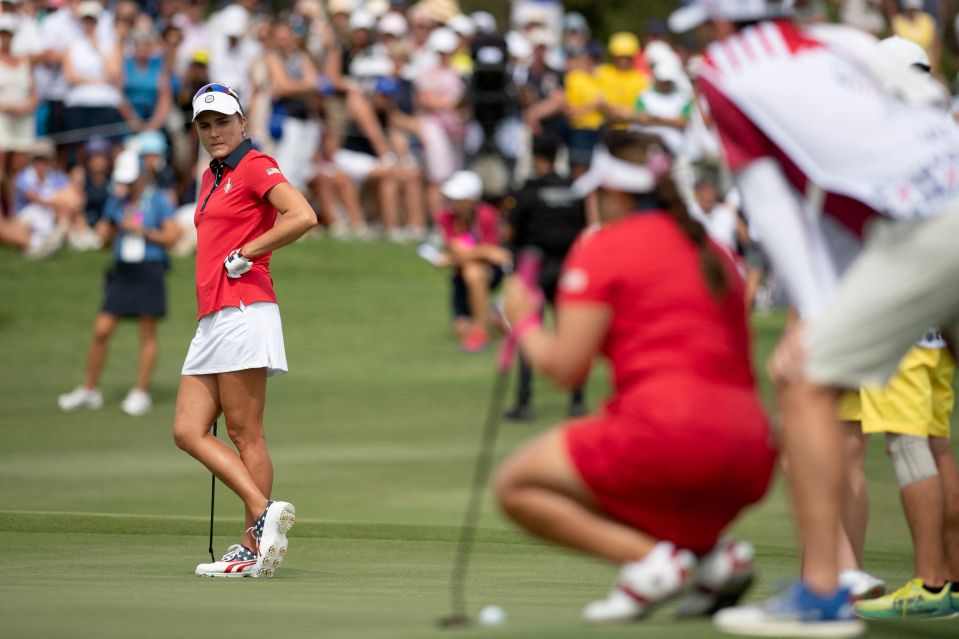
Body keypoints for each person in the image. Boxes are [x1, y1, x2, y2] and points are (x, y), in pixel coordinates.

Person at [666, 1, 959, 634]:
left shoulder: (723, 72)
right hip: (945, 192)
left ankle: (822, 594)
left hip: (923, 227)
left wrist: (812, 318)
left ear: (718, 23)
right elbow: (928, 103)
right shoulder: (836, 40)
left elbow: (772, 208)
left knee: (802, 379)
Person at [495, 131, 776, 623]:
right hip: (751, 446)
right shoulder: (712, 250)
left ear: (615, 192)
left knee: (516, 486)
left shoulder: (605, 247)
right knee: (645, 482)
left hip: (668, 431)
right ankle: (710, 560)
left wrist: (524, 325)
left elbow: (566, 370)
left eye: (599, 195)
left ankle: (649, 563)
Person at [173, 83, 316, 578]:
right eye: (205, 125)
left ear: (242, 124)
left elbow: (302, 216)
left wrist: (249, 251)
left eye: (222, 123)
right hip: (213, 316)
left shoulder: (254, 165)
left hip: (243, 309)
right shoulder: (214, 175)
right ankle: (263, 510)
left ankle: (253, 543)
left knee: (244, 432)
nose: (214, 132)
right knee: (188, 431)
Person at [57, 149, 180, 417]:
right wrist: (107, 233)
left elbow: (172, 237)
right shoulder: (117, 201)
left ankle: (141, 392)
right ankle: (89, 390)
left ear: (140, 176)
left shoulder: (158, 199)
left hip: (149, 269)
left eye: (130, 180)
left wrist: (142, 231)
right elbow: (105, 242)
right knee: (102, 330)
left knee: (147, 333)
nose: (127, 185)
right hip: (122, 271)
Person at [503, 135, 588, 421]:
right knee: (572, 334)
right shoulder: (573, 190)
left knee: (529, 329)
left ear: (537, 158)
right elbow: (583, 226)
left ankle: (524, 403)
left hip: (535, 267)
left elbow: (511, 230)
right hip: (568, 267)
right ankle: (577, 401)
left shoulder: (529, 190)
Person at [434, 170, 510, 353]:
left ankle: (480, 332)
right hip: (460, 279)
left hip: (488, 273)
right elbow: (463, 248)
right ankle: (493, 316)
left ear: (471, 200)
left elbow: (496, 255)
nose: (453, 203)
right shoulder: (446, 216)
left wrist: (453, 259)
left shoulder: (487, 215)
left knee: (473, 271)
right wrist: (479, 252)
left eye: (458, 199)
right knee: (460, 329)